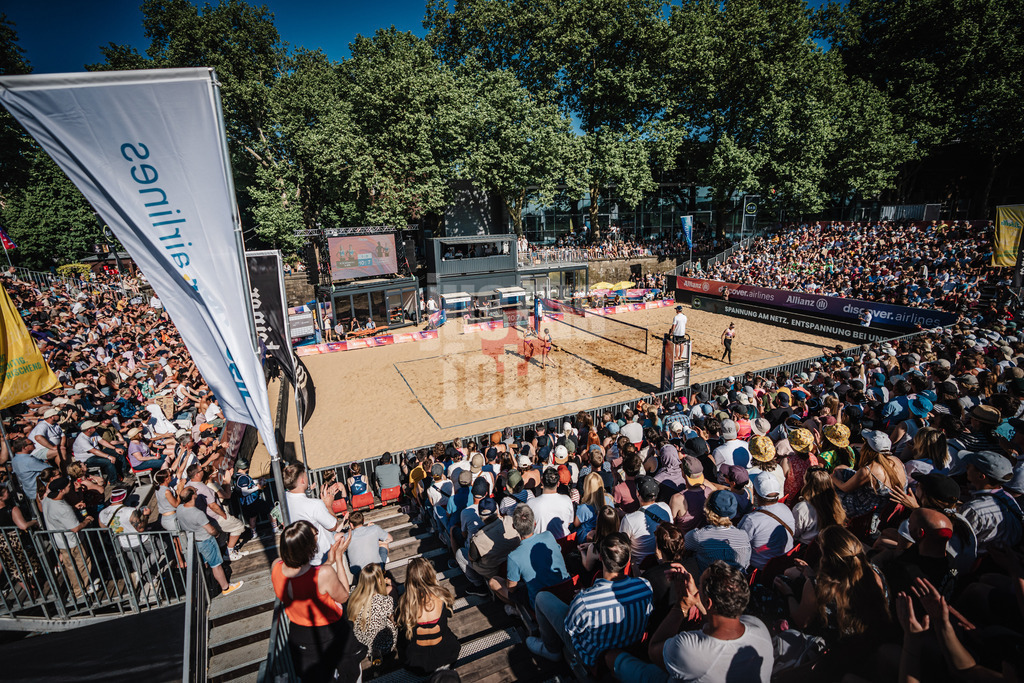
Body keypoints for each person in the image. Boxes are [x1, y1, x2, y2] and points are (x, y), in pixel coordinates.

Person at [610, 561, 774, 683]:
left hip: (670, 670)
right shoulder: (758, 627)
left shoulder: (688, 648)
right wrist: (696, 596)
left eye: (700, 584)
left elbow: (654, 650)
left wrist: (681, 605)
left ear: (708, 602)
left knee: (615, 658)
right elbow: (718, 620)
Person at [528, 532, 653, 665]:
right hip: (630, 648)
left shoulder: (584, 602)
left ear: (600, 557)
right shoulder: (645, 586)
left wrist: (581, 600)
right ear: (628, 560)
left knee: (541, 597)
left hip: (593, 658)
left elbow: (570, 629)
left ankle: (551, 650)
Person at [273, 520, 364, 683]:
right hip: (329, 632)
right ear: (309, 547)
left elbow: (307, 580)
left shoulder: (276, 567)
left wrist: (328, 562)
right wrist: (338, 558)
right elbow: (344, 596)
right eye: (315, 536)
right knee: (349, 672)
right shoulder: (324, 573)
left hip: (299, 633)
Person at [493, 504, 569, 612]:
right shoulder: (548, 535)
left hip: (538, 602)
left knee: (494, 581)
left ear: (514, 527)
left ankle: (518, 611)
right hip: (565, 590)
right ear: (534, 523)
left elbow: (511, 588)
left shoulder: (513, 556)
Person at [175, 487, 244, 597]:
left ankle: (210, 585)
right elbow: (211, 530)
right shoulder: (198, 513)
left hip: (194, 541)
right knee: (216, 565)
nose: (197, 491)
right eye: (195, 491)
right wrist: (217, 533)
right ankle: (226, 587)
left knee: (205, 565)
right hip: (206, 540)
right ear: (193, 496)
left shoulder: (179, 509)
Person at [397, 556, 461, 674]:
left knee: (401, 639)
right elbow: (449, 614)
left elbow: (400, 624)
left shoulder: (405, 603)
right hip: (446, 657)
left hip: (417, 664)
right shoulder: (442, 596)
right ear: (430, 574)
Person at [41, 477, 95, 600]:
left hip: (60, 541)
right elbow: (75, 528)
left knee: (70, 567)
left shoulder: (47, 500)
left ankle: (78, 590)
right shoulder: (63, 509)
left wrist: (74, 507)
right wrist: (87, 520)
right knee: (83, 563)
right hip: (72, 541)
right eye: (69, 486)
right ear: (61, 490)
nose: (71, 487)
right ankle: (83, 589)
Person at [284, 462, 347, 566]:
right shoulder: (315, 505)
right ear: (302, 480)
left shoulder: (284, 501)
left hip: (303, 557)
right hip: (324, 556)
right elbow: (333, 526)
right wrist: (328, 505)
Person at [683, 490, 751, 573]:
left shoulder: (697, 536)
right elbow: (746, 564)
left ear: (707, 508)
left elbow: (680, 547)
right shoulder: (744, 536)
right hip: (736, 580)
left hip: (707, 580)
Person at [738, 472, 796, 569]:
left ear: (755, 492)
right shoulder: (786, 508)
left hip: (760, 570)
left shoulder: (751, 520)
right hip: (785, 563)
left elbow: (739, 548)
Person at [347, 563, 398, 661]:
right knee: (391, 620)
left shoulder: (353, 592)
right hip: (383, 647)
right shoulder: (385, 601)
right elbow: (393, 617)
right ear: (379, 580)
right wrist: (392, 585)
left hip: (360, 644)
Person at [619, 476, 672, 567]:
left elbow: (622, 546)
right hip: (662, 563)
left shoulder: (628, 519)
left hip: (639, 568)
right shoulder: (665, 508)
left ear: (637, 493)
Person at [792, 467, 847, 545]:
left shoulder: (802, 508)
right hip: (830, 545)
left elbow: (794, 533)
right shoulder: (836, 503)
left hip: (805, 547)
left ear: (807, 483)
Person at [527, 467, 575, 538]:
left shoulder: (530, 503)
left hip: (540, 542)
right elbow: (569, 522)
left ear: (542, 481)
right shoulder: (567, 500)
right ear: (558, 484)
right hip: (562, 542)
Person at [346, 510, 393, 577]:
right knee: (384, 544)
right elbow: (390, 539)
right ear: (363, 520)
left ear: (351, 524)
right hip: (375, 569)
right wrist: (376, 541)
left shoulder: (346, 536)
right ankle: (382, 568)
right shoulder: (374, 528)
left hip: (358, 573)